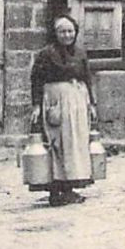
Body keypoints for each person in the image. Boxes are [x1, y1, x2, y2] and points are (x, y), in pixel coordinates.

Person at [30, 13, 96, 206]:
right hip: (56, 102)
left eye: (70, 31)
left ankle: (69, 188)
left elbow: (87, 77)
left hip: (77, 102)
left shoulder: (81, 53)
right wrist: (36, 105)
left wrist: (91, 104)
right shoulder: (46, 54)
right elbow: (36, 79)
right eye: (62, 31)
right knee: (57, 143)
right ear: (55, 33)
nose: (67, 35)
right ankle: (55, 190)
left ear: (75, 32)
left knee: (75, 144)